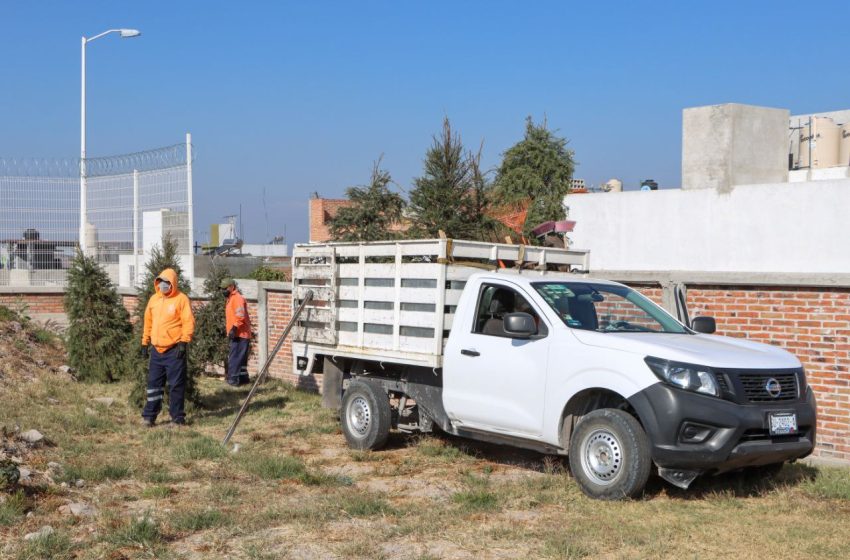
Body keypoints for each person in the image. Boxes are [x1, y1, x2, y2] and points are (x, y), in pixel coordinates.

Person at [140, 268, 195, 427]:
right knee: (153, 385)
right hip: (157, 351)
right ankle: (149, 417)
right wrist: (145, 342)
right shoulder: (154, 300)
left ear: (173, 283)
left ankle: (177, 419)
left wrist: (184, 342)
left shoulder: (181, 299)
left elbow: (188, 322)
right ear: (157, 283)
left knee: (176, 385)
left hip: (174, 350)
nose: (163, 285)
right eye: (161, 282)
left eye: (167, 282)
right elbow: (147, 322)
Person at [221, 277, 252, 386]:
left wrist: (234, 328)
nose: (223, 290)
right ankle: (243, 379)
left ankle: (233, 380)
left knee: (235, 357)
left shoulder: (237, 298)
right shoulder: (230, 298)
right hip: (239, 333)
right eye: (222, 288)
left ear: (232, 287)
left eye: (225, 288)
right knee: (241, 358)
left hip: (240, 333)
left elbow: (240, 316)